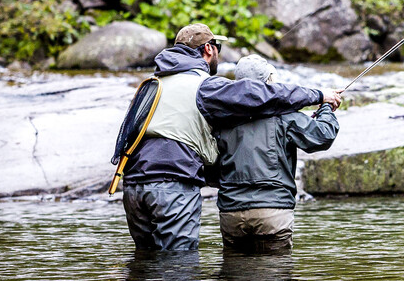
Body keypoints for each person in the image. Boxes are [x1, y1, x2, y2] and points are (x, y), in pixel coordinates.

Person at [121, 23, 342, 251]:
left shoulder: (151, 85)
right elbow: (256, 94)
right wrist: (318, 96)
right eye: (217, 47)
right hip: (173, 184)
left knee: (146, 263)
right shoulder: (204, 86)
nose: (219, 53)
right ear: (208, 49)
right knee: (178, 266)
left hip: (132, 186)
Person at [207, 55, 340, 254]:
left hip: (231, 213)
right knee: (276, 280)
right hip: (273, 212)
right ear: (270, 81)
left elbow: (211, 170)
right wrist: (326, 109)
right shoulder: (285, 115)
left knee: (234, 279)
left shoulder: (221, 118)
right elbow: (323, 136)